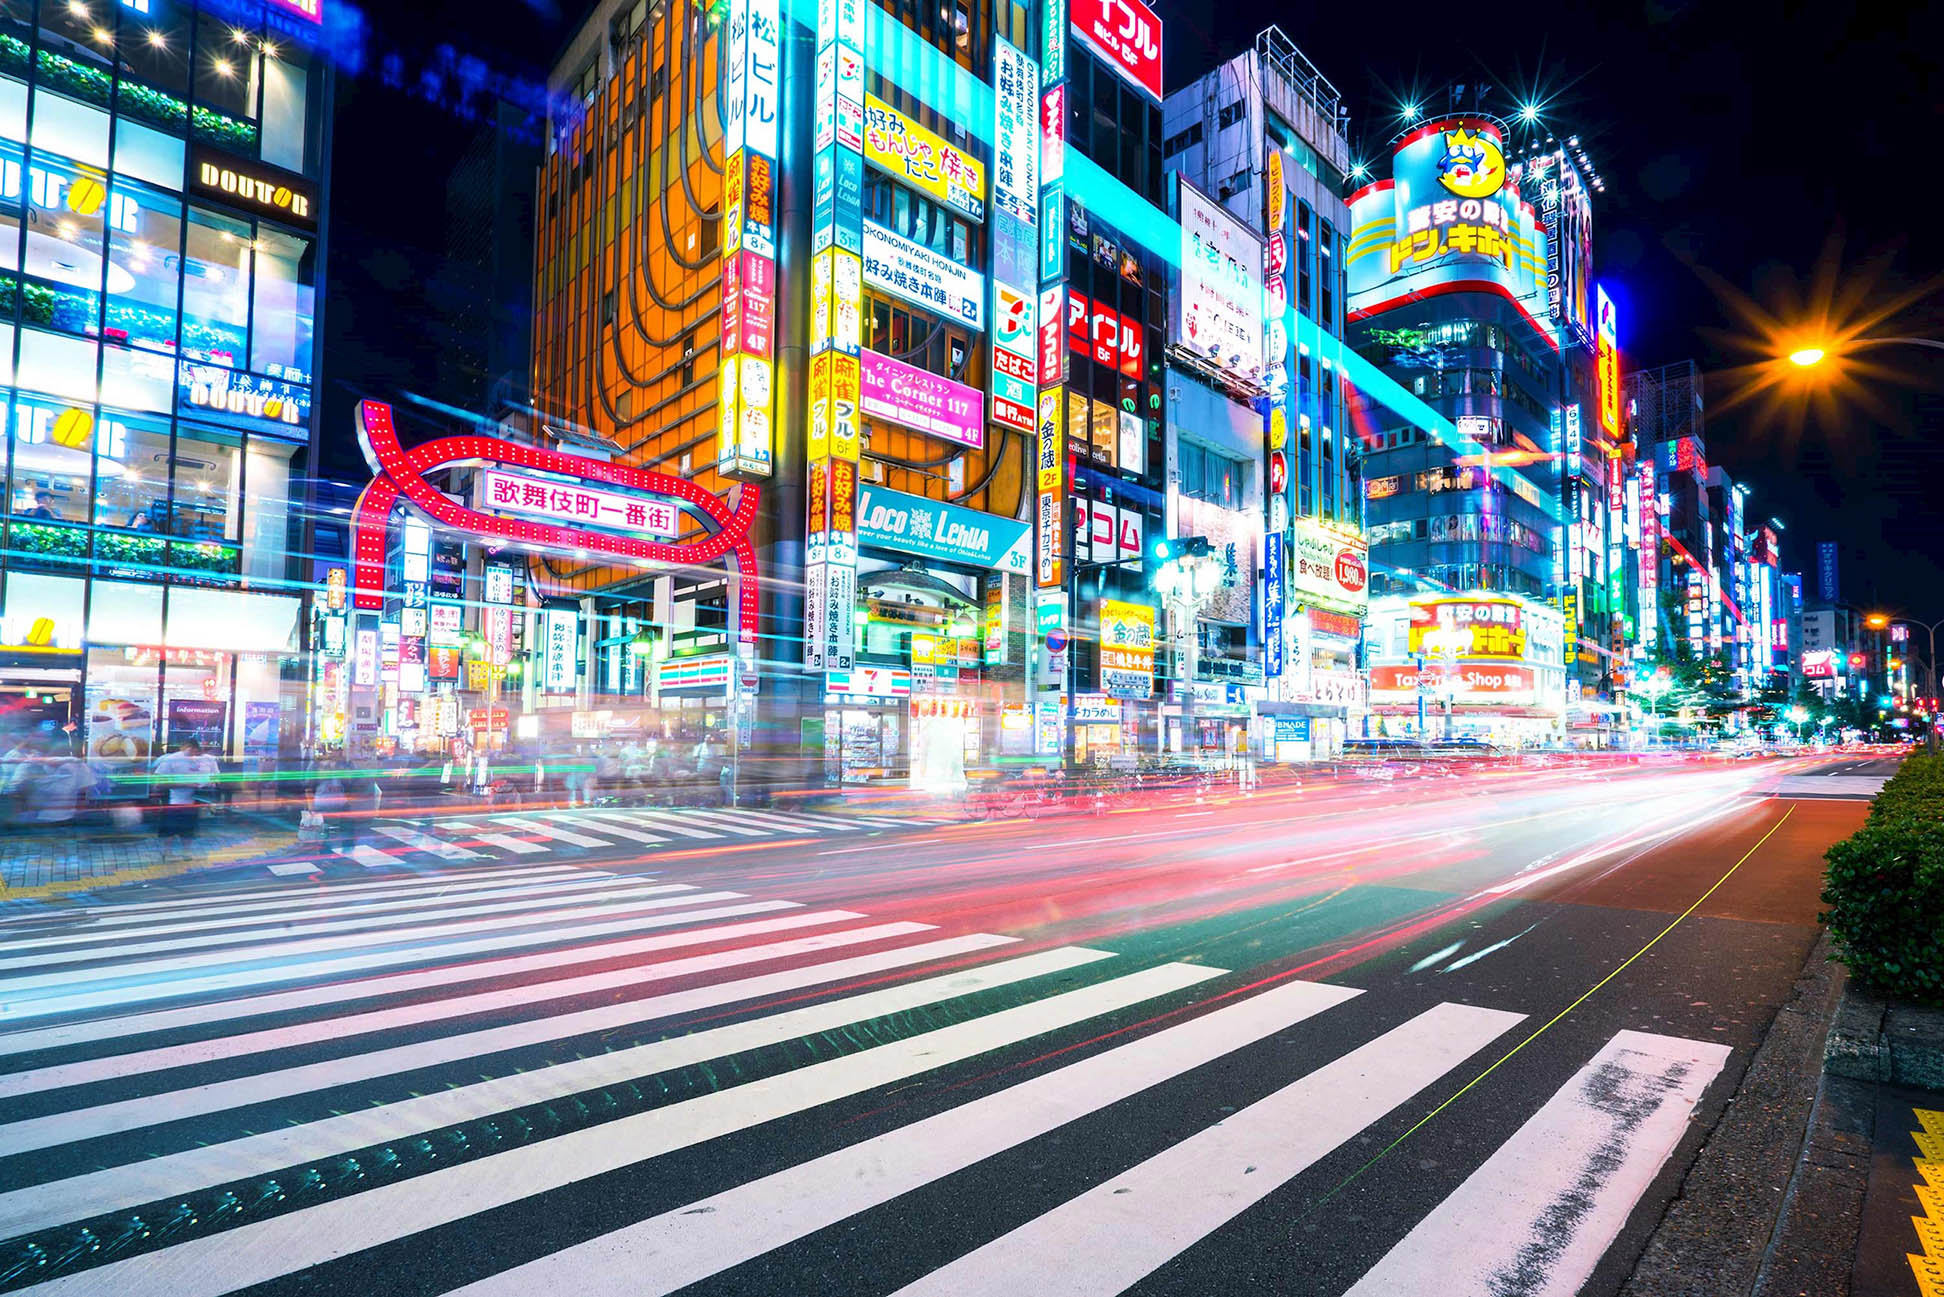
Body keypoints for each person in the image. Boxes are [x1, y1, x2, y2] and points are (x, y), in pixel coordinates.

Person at [151, 739, 214, 854]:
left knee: (188, 831)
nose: (195, 757)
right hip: (173, 802)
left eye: (199, 754)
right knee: (170, 830)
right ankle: (167, 853)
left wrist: (208, 784)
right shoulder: (171, 760)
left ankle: (186, 853)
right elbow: (158, 784)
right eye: (194, 752)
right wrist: (185, 784)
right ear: (188, 748)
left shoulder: (207, 760)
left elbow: (216, 778)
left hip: (194, 801)